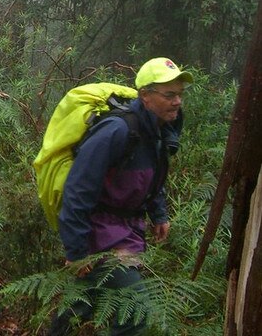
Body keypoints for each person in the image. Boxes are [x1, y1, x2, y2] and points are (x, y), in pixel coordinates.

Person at [49, 57, 193, 335]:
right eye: (169, 95)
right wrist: (77, 252)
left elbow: (152, 177)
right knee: (135, 309)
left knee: (80, 304)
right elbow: (78, 190)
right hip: (100, 233)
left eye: (180, 94)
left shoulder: (160, 131)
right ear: (145, 96)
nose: (177, 102)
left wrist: (159, 213)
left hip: (126, 230)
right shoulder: (117, 131)